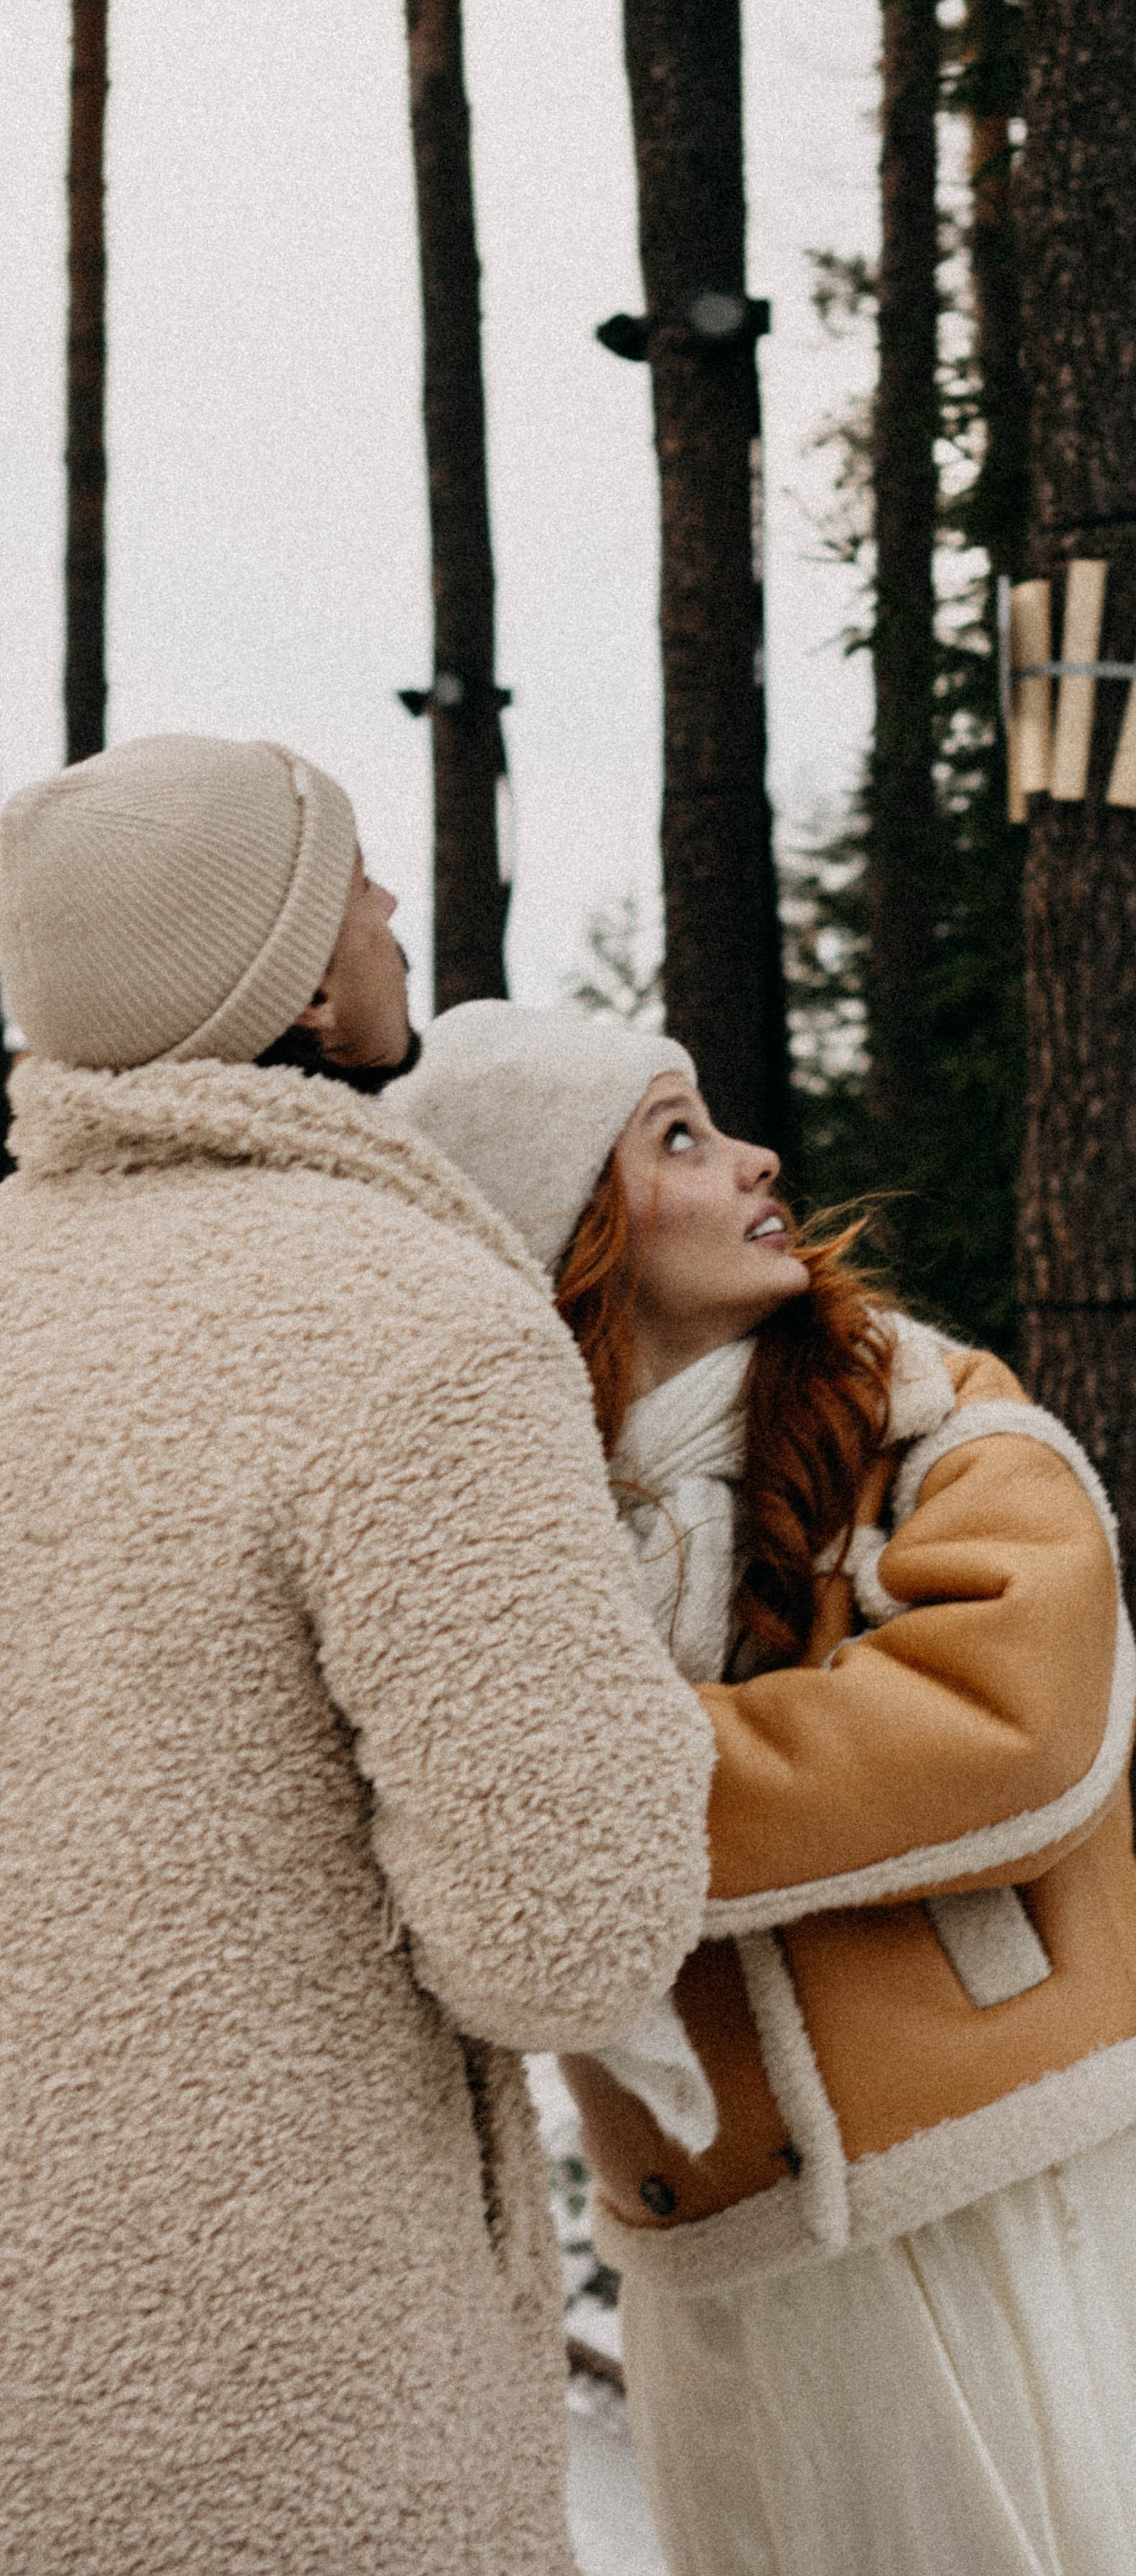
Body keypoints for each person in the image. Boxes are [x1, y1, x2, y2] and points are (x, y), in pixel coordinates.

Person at [388, 998, 1136, 2576]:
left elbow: (1012, 1720)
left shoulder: (924, 1410)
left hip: (987, 2195)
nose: (755, 1158)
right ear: (571, 1227)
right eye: (678, 1138)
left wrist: (605, 1801)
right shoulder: (510, 1531)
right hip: (719, 2244)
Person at [0, 736, 715, 2576]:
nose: (401, 916)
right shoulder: (409, 1324)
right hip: (288, 2381)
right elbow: (567, 1929)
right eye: (367, 886)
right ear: (305, 984)